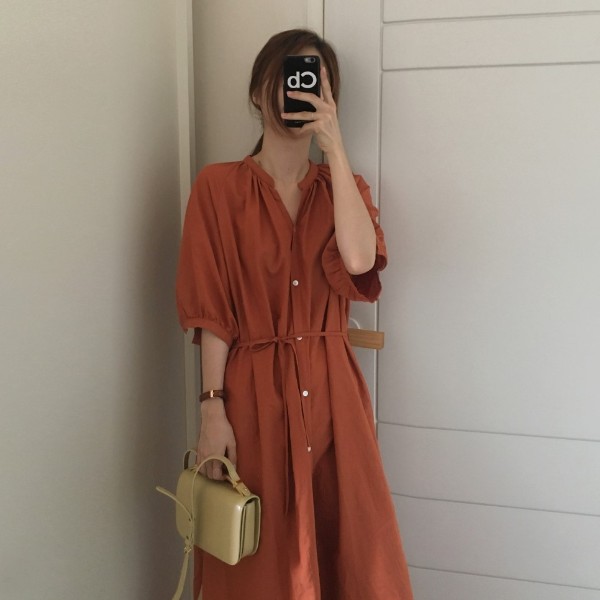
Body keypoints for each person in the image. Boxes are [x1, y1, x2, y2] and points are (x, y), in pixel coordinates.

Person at [175, 27, 414, 600]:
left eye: (313, 83)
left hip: (334, 398)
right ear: (258, 91)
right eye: (287, 77)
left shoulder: (343, 188)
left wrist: (335, 147)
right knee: (262, 560)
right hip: (254, 399)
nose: (297, 92)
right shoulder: (218, 188)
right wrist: (212, 411)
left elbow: (359, 261)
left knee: (354, 554)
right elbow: (213, 313)